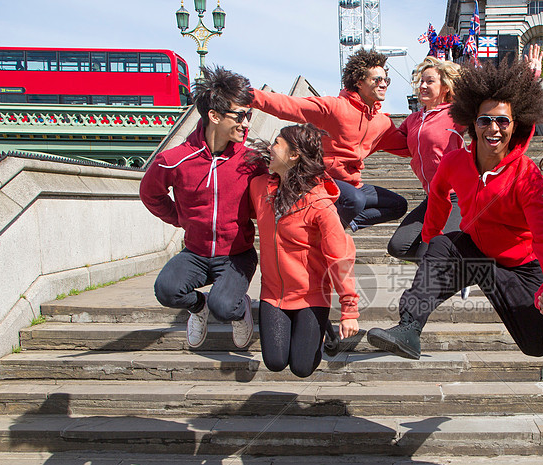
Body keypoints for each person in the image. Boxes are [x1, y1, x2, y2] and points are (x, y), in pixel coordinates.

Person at [366, 59, 543, 360]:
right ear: (472, 123)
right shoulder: (455, 163)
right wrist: (429, 241)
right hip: (476, 249)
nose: (493, 128)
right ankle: (409, 328)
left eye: (502, 121)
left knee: (536, 345)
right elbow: (437, 198)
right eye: (484, 120)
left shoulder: (525, 174)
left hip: (520, 266)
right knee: (440, 245)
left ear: (515, 126)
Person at [140, 66, 260, 350]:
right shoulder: (175, 160)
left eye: (249, 115)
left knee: (225, 307)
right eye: (240, 116)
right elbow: (150, 194)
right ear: (214, 116)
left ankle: (238, 308)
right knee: (166, 290)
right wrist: (180, 218)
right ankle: (199, 307)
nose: (247, 124)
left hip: (236, 255)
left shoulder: (253, 160)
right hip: (195, 252)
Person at [249, 49, 409, 231]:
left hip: (351, 184)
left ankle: (337, 227)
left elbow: (411, 146)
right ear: (359, 82)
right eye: (376, 80)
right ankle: (323, 231)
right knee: (355, 200)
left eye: (385, 80)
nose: (383, 84)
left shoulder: (382, 123)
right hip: (321, 178)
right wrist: (250, 96)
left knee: (397, 204)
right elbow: (289, 105)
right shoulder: (335, 108)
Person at [247, 124, 360, 377]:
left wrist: (349, 310)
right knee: (275, 362)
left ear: (294, 154)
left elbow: (340, 258)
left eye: (276, 143)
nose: (270, 148)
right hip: (273, 292)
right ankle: (317, 330)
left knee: (302, 367)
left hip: (311, 295)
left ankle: (323, 331)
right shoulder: (259, 188)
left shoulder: (319, 205)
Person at [386, 56, 465, 263]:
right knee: (398, 246)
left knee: (428, 256)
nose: (423, 86)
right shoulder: (413, 120)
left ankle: (454, 266)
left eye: (430, 81)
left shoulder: (456, 114)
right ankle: (456, 266)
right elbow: (395, 142)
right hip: (433, 197)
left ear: (445, 87)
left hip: (456, 197)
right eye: (421, 81)